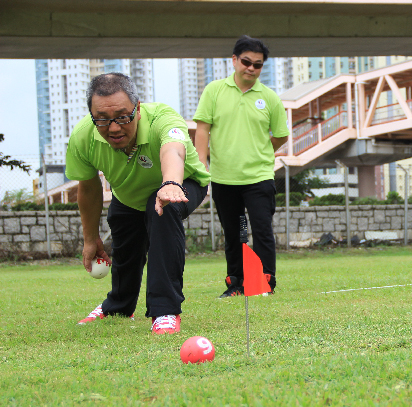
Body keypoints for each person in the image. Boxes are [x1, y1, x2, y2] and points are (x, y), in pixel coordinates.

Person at [66, 73, 210, 333]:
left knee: (161, 211)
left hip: (182, 183)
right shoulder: (83, 137)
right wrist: (90, 238)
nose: (113, 128)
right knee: (124, 242)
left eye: (123, 117)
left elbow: (173, 150)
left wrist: (170, 184)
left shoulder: (163, 119)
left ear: (138, 109)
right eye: (102, 119)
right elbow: (88, 187)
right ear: (91, 115)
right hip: (128, 195)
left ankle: (165, 311)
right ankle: (118, 307)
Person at [194, 35, 290, 298]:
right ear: (234, 60)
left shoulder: (269, 98)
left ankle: (264, 284)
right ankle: (236, 284)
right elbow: (202, 129)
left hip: (259, 178)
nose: (251, 68)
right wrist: (201, 164)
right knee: (236, 233)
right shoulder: (214, 91)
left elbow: (281, 134)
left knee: (261, 230)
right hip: (225, 179)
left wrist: (260, 152)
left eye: (257, 65)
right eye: (246, 62)